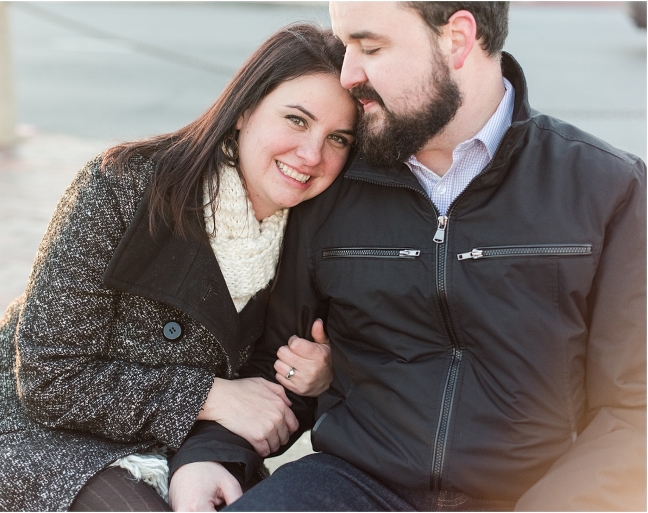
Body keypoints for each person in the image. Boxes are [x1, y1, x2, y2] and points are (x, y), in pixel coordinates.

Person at [168, 2, 647, 511]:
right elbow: (280, 359)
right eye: (345, 47)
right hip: (350, 486)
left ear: (457, 39)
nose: (347, 75)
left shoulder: (606, 188)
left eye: (370, 47)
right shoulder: (332, 181)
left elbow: (635, 407)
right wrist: (212, 456)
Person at [0, 23, 357, 512]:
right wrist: (208, 397)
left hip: (177, 445)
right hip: (28, 429)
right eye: (296, 120)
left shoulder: (316, 235)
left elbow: (266, 402)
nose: (312, 154)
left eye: (338, 138)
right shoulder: (126, 186)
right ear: (244, 109)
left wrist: (315, 379)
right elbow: (48, 377)